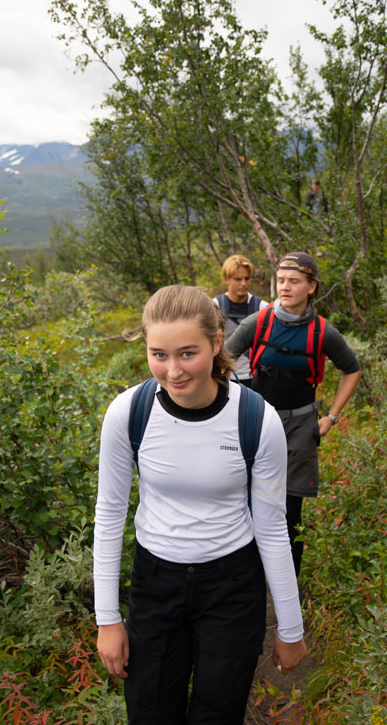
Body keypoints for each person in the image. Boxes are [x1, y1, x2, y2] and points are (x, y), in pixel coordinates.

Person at [94, 284, 306, 725]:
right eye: (159, 354)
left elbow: (272, 527)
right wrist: (107, 619)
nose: (173, 371)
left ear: (216, 342)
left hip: (232, 588)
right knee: (151, 713)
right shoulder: (128, 413)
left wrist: (291, 628)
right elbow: (110, 515)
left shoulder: (256, 418)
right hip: (155, 585)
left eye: (187, 353)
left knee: (217, 715)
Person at [226, 252, 361, 577]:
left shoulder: (322, 332)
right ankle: (248, 580)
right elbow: (222, 360)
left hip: (300, 426)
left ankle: (286, 585)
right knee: (246, 503)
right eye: (281, 280)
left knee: (290, 511)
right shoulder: (258, 322)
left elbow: (352, 369)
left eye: (294, 281)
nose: (285, 287)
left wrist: (331, 416)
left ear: (312, 287)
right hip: (257, 424)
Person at [213, 254, 267, 387]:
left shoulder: (261, 307)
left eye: (247, 278)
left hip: (253, 376)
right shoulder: (215, 305)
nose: (243, 283)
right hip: (223, 376)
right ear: (226, 279)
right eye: (238, 279)